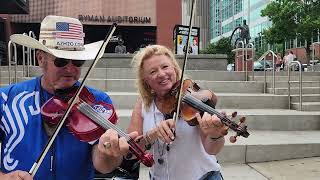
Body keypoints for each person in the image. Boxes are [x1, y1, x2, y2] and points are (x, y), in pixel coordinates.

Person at [0, 15, 137, 180]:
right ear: (40, 58)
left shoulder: (98, 101)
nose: (71, 69)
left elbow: (104, 166)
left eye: (78, 62)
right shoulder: (8, 98)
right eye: (62, 61)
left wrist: (108, 153)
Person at [128, 45, 228, 180]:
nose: (162, 74)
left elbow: (212, 149)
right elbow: (131, 151)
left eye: (165, 67)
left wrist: (215, 136)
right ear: (145, 80)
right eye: (152, 72)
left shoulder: (193, 100)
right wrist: (154, 133)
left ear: (174, 69)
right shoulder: (143, 105)